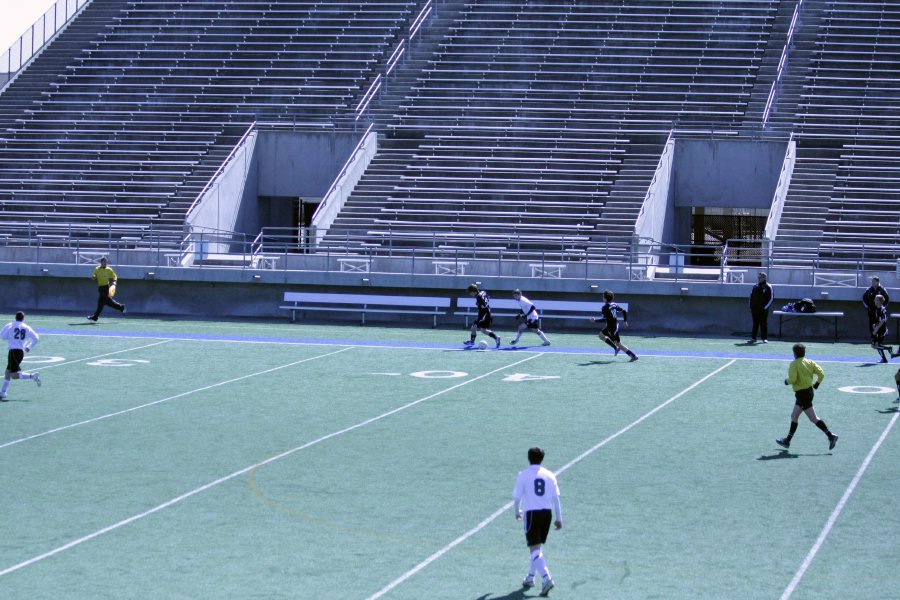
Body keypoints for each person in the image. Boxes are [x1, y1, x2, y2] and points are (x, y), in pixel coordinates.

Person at [513, 447, 562, 597]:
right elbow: (556, 499)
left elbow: (517, 497)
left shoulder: (523, 475)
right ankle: (530, 577)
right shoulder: (550, 475)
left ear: (529, 458)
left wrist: (517, 512)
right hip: (547, 514)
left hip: (532, 514)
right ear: (542, 458)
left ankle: (547, 579)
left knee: (534, 548)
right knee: (536, 547)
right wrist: (559, 518)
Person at [776, 343, 838, 450]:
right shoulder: (810, 362)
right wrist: (817, 384)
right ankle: (787, 441)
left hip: (802, 394)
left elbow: (793, 379)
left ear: (794, 353)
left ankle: (831, 436)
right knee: (794, 416)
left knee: (813, 418)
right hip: (808, 392)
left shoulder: (794, 364)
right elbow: (821, 373)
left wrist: (786, 381)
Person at [0, 311, 41, 401]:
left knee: (13, 375)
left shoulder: (10, 325)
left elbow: (2, 336)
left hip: (13, 352)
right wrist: (29, 347)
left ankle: (33, 376)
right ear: (23, 318)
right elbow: (36, 338)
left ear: (15, 317)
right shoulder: (26, 327)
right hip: (20, 352)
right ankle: (3, 392)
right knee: (7, 372)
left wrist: (10, 337)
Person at [590, 290, 638, 361]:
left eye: (603, 296)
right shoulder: (614, 304)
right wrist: (625, 321)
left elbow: (604, 319)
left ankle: (633, 356)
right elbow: (624, 311)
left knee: (618, 344)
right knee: (601, 335)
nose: (602, 297)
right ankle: (615, 348)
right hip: (613, 325)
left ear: (605, 298)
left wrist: (595, 320)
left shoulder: (605, 307)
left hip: (612, 328)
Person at [88, 257, 126, 322]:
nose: (105, 263)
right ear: (101, 262)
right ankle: (121, 307)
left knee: (101, 302)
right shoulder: (97, 268)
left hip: (106, 288)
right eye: (104, 262)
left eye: (106, 262)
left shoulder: (109, 269)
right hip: (100, 288)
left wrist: (114, 282)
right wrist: (93, 277)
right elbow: (94, 275)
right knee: (106, 302)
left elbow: (114, 276)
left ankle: (95, 317)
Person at [463, 283, 501, 348]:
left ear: (474, 292)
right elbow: (487, 298)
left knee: (473, 327)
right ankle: (496, 338)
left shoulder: (479, 297)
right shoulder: (483, 292)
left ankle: (472, 341)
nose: (470, 294)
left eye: (470, 292)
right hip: (487, 314)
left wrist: (480, 305)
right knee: (483, 330)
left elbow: (484, 305)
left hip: (484, 316)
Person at [870, 295, 897, 363]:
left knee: (876, 345)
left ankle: (888, 349)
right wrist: (875, 325)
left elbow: (883, 320)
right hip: (878, 330)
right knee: (874, 345)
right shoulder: (877, 309)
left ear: (879, 301)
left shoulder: (882, 309)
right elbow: (878, 319)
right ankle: (884, 358)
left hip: (882, 331)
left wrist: (876, 329)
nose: (874, 300)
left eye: (875, 299)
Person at [748, 272, 774, 343]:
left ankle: (764, 338)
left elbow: (771, 298)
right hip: (754, 309)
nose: (759, 279)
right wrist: (750, 305)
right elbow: (751, 296)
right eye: (758, 277)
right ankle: (753, 338)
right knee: (755, 323)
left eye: (760, 277)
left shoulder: (768, 286)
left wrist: (765, 307)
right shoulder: (755, 286)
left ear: (764, 278)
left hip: (763, 310)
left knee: (763, 324)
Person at [862, 276, 890, 341]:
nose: (872, 283)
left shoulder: (882, 289)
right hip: (871, 311)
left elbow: (887, 299)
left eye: (874, 281)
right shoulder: (868, 290)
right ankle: (873, 338)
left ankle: (880, 338)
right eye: (872, 281)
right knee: (872, 324)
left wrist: (882, 307)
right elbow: (864, 299)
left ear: (878, 282)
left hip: (879, 311)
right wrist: (868, 307)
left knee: (880, 323)